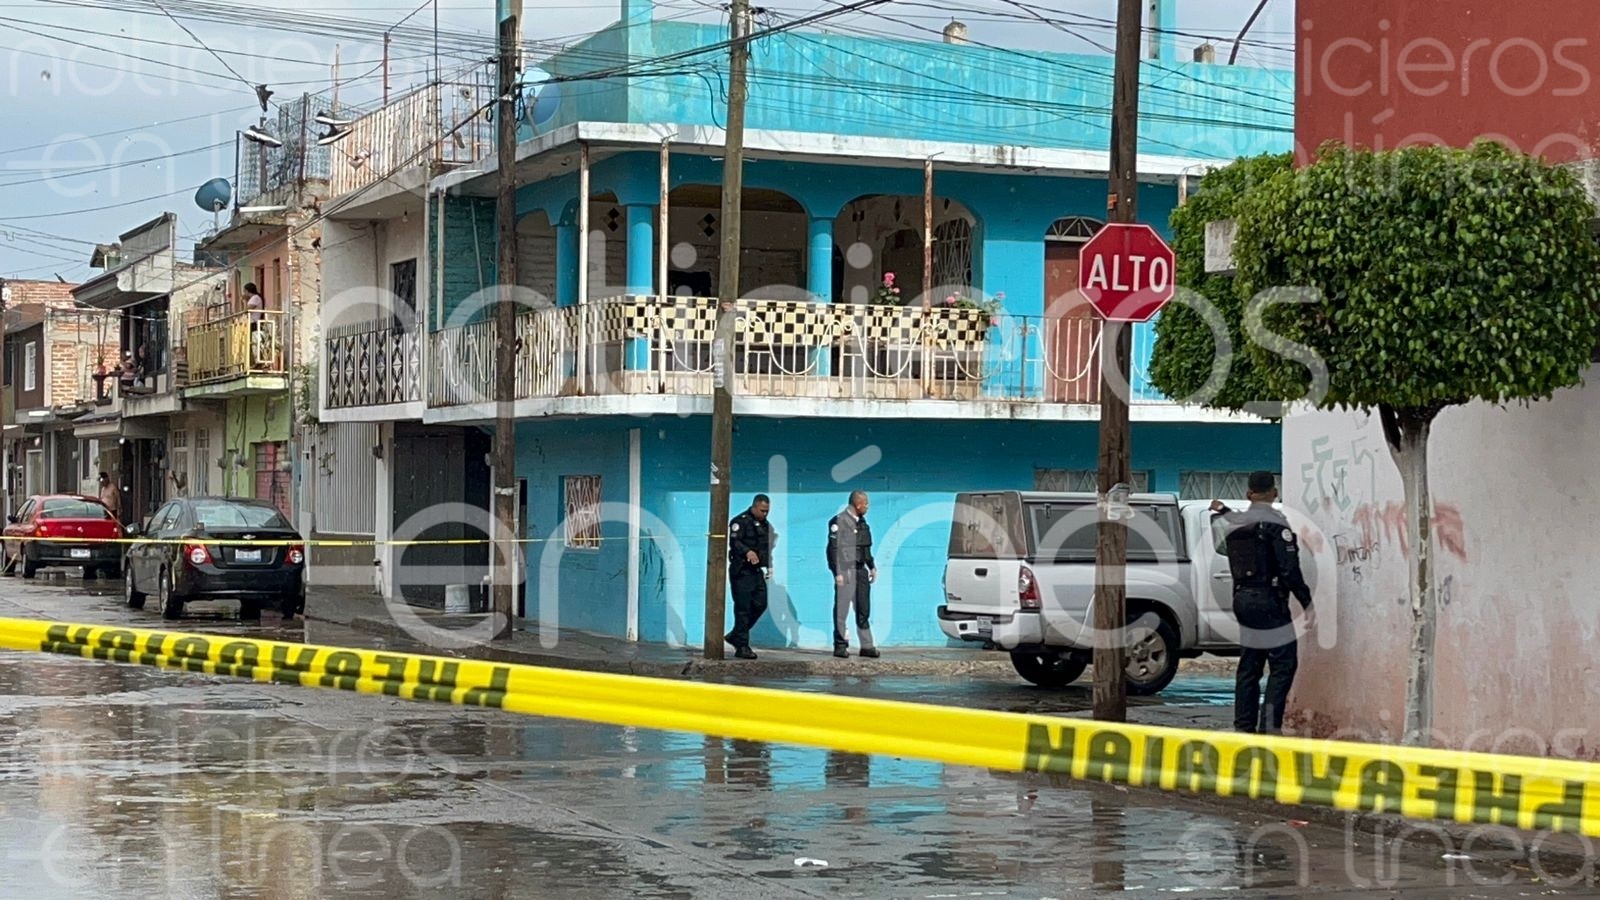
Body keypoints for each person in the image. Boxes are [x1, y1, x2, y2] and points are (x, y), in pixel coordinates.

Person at [1211, 471, 1314, 735]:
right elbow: (1289, 569)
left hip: (1242, 599)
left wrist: (1223, 509)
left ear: (1249, 493)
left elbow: (1231, 523)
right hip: (1268, 601)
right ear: (1274, 492)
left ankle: (1243, 726)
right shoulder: (1275, 524)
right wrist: (1307, 602)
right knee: (1283, 664)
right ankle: (1269, 727)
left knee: (1250, 664)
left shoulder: (1236, 523)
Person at [827, 490, 879, 659]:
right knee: (841, 610)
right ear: (858, 504)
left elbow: (865, 548)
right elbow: (832, 550)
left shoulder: (863, 523)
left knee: (863, 609)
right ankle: (840, 645)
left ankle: (867, 646)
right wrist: (837, 573)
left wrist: (872, 566)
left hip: (860, 570)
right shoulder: (839, 521)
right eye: (866, 504)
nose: (868, 507)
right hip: (845, 570)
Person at [725, 494, 774, 659]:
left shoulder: (765, 525)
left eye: (767, 511)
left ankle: (736, 635)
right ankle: (742, 646)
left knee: (761, 604)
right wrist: (747, 551)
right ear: (754, 507)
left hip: (756, 571)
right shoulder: (740, 522)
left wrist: (769, 565)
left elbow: (766, 547)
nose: (764, 514)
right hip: (741, 570)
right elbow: (735, 542)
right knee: (743, 609)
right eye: (762, 510)